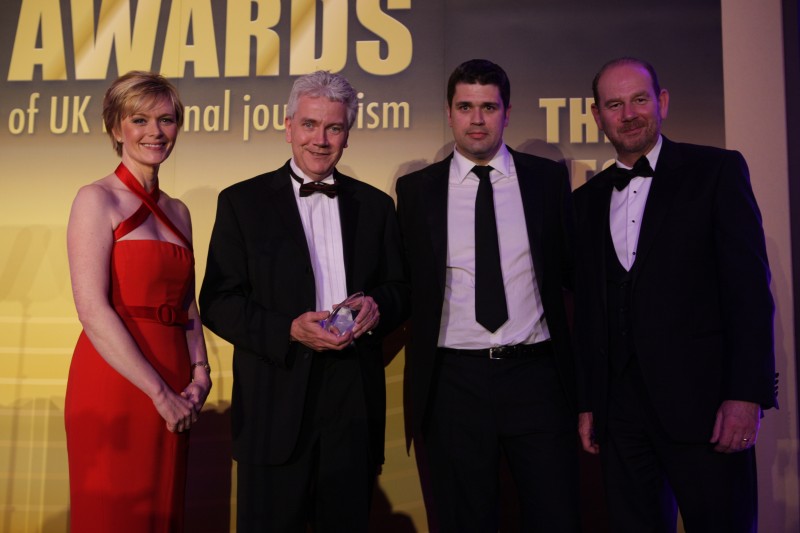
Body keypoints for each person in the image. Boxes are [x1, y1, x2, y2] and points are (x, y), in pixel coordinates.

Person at [574, 57, 777, 532]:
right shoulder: (584, 201)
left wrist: (745, 396)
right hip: (621, 419)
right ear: (597, 114)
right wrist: (590, 403)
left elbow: (748, 292)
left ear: (662, 102)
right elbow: (588, 312)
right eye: (615, 104)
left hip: (707, 410)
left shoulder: (717, 171)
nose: (629, 114)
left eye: (640, 99)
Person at [199, 70, 408, 532]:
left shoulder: (376, 207)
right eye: (310, 125)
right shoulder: (242, 202)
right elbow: (217, 300)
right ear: (288, 125)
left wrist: (377, 306)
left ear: (348, 135)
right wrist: (287, 330)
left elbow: (400, 290)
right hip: (276, 403)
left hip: (352, 406)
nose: (320, 139)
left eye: (333, 127)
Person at [396, 59, 580, 532]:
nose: (477, 119)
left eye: (488, 107)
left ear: (507, 111)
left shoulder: (547, 180)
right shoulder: (415, 191)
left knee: (556, 516)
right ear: (449, 112)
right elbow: (403, 282)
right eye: (466, 107)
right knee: (464, 521)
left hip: (537, 376)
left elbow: (573, 272)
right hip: (454, 381)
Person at [65, 71, 211, 532]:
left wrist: (200, 373)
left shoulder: (179, 211)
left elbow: (187, 303)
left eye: (166, 120)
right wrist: (159, 393)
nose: (155, 131)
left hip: (174, 375)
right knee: (114, 515)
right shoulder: (95, 198)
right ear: (115, 128)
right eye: (140, 119)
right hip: (116, 378)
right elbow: (91, 309)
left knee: (162, 510)